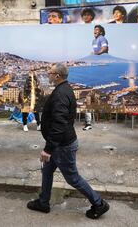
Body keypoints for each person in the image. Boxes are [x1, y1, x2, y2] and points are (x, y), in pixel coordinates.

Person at [27, 63, 109, 219]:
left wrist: (48, 149)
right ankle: (43, 202)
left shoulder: (60, 94)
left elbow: (59, 123)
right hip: (59, 143)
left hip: (61, 146)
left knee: (73, 178)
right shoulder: (65, 89)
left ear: (57, 76)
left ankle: (99, 203)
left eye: (50, 72)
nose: (48, 75)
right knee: (46, 170)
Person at [83, 25, 109, 131]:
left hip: (101, 64)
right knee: (89, 99)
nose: (95, 31)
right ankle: (89, 122)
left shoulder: (102, 38)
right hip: (97, 66)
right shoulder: (94, 41)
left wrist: (96, 54)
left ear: (101, 32)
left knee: (92, 98)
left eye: (97, 30)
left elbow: (104, 48)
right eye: (94, 30)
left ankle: (91, 121)